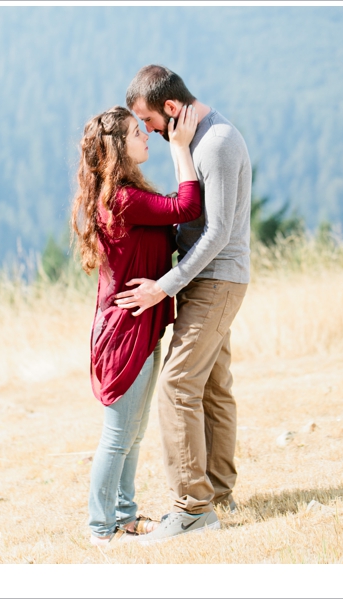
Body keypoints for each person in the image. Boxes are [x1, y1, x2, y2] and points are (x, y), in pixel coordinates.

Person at [114, 65, 251, 543]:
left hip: (216, 281)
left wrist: (163, 286)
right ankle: (218, 492)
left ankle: (192, 509)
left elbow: (216, 233)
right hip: (207, 281)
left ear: (170, 109)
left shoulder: (216, 143)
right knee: (213, 386)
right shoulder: (191, 141)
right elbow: (187, 212)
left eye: (148, 121)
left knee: (177, 386)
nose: (147, 131)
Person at [71, 105, 202, 546]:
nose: (147, 134)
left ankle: (124, 516)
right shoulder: (124, 198)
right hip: (125, 333)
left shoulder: (122, 194)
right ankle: (100, 529)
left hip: (136, 326)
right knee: (118, 435)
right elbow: (186, 205)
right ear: (117, 150)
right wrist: (180, 148)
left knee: (133, 431)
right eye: (136, 132)